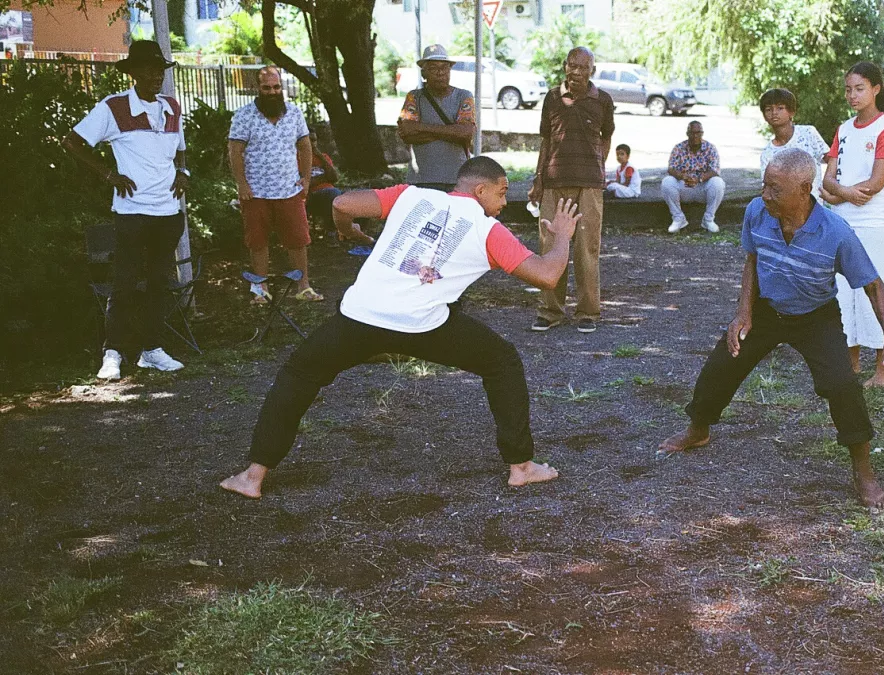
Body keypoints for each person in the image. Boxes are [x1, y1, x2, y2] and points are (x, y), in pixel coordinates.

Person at [220, 157, 583, 499]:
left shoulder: (410, 195)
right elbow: (548, 276)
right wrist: (563, 236)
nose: (505, 202)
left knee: (299, 374)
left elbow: (342, 204)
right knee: (501, 362)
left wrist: (349, 232)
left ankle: (253, 477)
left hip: (361, 317)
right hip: (421, 325)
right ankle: (520, 467)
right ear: (479, 191)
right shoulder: (489, 230)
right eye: (502, 192)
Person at [658, 149, 884, 509]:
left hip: (815, 315)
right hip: (767, 310)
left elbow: (873, 285)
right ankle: (698, 428)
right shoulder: (757, 212)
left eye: (775, 189)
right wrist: (743, 313)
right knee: (724, 362)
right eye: (764, 185)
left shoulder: (836, 233)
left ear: (804, 189)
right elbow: (752, 260)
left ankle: (863, 469)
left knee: (841, 384)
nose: (765, 194)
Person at [63, 40, 189, 380]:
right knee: (125, 283)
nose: (155, 75)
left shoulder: (173, 107)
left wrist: (184, 172)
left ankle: (152, 350)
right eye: (148, 69)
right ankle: (113, 353)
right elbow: (72, 142)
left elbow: (180, 151)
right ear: (132, 73)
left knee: (159, 283)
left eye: (159, 69)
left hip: (168, 212)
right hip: (132, 212)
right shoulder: (113, 107)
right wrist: (108, 174)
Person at [820, 61, 884, 388]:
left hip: (874, 224)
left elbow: (875, 183)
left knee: (879, 291)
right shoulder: (843, 129)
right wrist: (841, 194)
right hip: (841, 220)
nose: (852, 95)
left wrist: (840, 193)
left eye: (859, 89)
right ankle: (850, 362)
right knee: (843, 292)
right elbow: (828, 177)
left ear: (876, 89)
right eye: (848, 89)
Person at [528, 46, 615, 334]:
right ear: (565, 66)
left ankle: (588, 312)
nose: (576, 72)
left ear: (593, 70)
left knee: (586, 248)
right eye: (572, 66)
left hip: (589, 184)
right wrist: (538, 179)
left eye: (583, 67)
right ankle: (550, 310)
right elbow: (546, 140)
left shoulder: (602, 100)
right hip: (554, 181)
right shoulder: (552, 98)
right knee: (551, 245)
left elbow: (607, 137)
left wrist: (599, 167)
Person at [228, 66, 322, 304]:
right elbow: (235, 151)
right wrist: (241, 185)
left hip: (289, 189)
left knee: (298, 240)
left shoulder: (294, 113)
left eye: (276, 87)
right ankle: (261, 290)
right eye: (266, 88)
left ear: (282, 87)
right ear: (257, 89)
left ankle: (303, 287)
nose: (272, 92)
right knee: (257, 241)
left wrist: (306, 178)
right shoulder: (244, 115)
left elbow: (305, 146)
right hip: (255, 192)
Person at [398, 44, 477, 192]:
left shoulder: (463, 96)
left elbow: (466, 132)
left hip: (457, 178)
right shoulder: (414, 97)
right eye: (433, 68)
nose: (440, 73)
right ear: (424, 74)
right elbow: (407, 134)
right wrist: (451, 132)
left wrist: (421, 127)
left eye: (445, 68)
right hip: (421, 179)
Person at [758, 88, 829, 197]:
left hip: (815, 205)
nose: (774, 113)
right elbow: (768, 187)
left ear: (792, 112)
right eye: (768, 109)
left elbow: (831, 160)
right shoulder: (768, 154)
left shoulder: (808, 133)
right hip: (786, 208)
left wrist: (831, 187)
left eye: (780, 108)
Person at [662, 121, 725, 233]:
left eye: (698, 133)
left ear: (702, 133)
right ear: (687, 133)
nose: (695, 136)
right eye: (692, 133)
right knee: (667, 182)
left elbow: (715, 170)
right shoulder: (679, 148)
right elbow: (671, 168)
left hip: (702, 186)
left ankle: (708, 220)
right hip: (684, 185)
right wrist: (683, 176)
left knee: (718, 183)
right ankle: (678, 219)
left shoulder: (710, 148)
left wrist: (699, 179)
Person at [306, 136, 342, 244]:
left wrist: (321, 157)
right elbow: (304, 184)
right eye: (309, 140)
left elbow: (334, 178)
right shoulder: (297, 158)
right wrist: (324, 178)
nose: (313, 143)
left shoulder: (324, 157)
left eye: (314, 140)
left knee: (359, 196)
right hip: (312, 196)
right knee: (333, 194)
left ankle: (351, 232)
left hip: (331, 191)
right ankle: (331, 233)